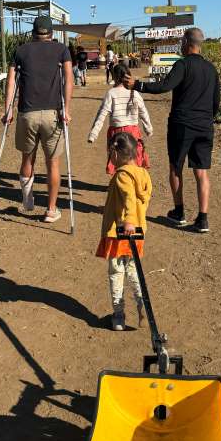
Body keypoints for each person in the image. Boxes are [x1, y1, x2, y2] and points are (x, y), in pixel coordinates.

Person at [127, 27, 218, 234]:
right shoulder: (211, 69)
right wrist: (206, 118)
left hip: (182, 124)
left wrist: (138, 85)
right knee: (201, 171)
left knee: (176, 167)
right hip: (204, 125)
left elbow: (164, 86)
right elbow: (216, 102)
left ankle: (179, 212)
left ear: (186, 43)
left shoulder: (182, 65)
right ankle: (203, 219)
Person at [3, 15, 73, 224]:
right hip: (53, 114)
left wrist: (8, 110)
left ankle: (27, 199)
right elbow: (69, 79)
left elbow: (11, 81)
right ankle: (51, 210)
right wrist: (66, 109)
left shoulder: (21, 51)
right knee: (53, 164)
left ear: (33, 32)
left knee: (27, 158)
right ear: (51, 33)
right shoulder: (61, 49)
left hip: (27, 113)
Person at [96, 132, 152, 331]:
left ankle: (118, 315)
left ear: (116, 153)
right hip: (138, 232)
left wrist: (128, 220)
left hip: (119, 232)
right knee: (133, 269)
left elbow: (128, 197)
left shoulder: (122, 175)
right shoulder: (143, 174)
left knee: (116, 272)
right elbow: (140, 200)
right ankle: (142, 302)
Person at [88, 64, 153, 173]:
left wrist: (93, 134)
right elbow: (143, 112)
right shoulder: (135, 93)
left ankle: (121, 180)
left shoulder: (111, 93)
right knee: (133, 159)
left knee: (118, 160)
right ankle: (134, 180)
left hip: (116, 133)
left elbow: (101, 114)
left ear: (114, 76)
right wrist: (148, 129)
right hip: (133, 132)